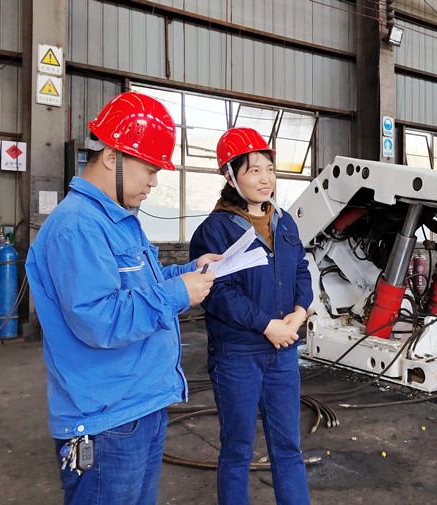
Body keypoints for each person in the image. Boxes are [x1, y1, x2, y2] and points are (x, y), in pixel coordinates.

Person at [25, 91, 220, 505]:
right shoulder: (78, 227)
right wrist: (177, 295)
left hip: (138, 405)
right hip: (106, 419)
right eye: (149, 169)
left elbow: (139, 286)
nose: (154, 182)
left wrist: (186, 272)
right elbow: (99, 318)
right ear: (113, 157)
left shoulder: (118, 220)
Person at [189, 127, 313, 505]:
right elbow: (218, 294)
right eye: (254, 170)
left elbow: (301, 270)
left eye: (270, 169)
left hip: (283, 352)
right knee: (238, 449)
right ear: (230, 175)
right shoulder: (214, 230)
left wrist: (299, 311)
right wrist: (266, 325)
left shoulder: (285, 221)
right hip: (238, 354)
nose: (266, 179)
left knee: (288, 446)